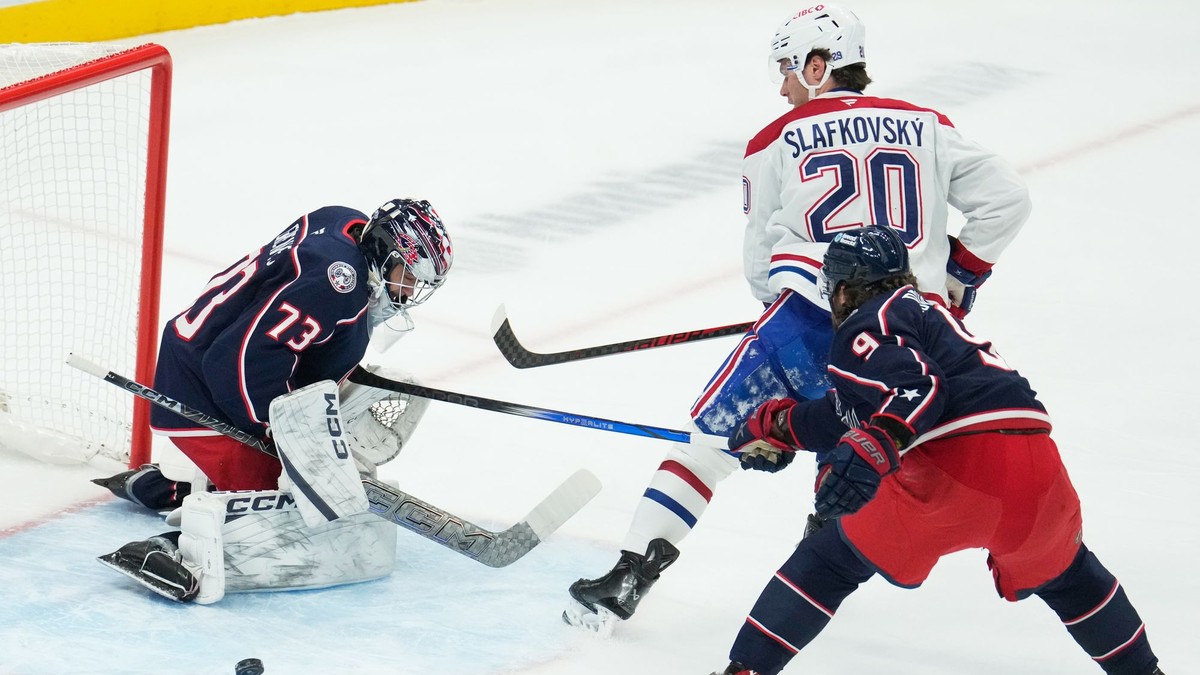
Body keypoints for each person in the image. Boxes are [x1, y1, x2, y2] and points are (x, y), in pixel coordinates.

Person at [564, 3, 1032, 633]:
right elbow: (1008, 200)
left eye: (789, 68)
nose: (782, 84)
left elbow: (762, 264)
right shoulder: (928, 125)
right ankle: (813, 578)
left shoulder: (773, 141)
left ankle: (628, 578)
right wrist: (952, 283)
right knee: (852, 457)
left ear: (819, 67)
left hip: (806, 322)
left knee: (708, 447)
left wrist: (782, 348)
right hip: (909, 334)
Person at [709, 226, 1163, 675]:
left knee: (831, 561)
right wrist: (778, 425)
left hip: (953, 468)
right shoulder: (923, 317)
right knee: (1072, 578)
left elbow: (917, 388)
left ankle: (747, 671)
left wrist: (877, 442)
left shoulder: (867, 322)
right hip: (1034, 466)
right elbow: (849, 410)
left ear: (844, 288)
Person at [93, 198, 453, 603]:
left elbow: (285, 330)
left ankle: (166, 487)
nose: (407, 291)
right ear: (386, 252)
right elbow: (239, 359)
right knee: (300, 505)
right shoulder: (337, 283)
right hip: (204, 392)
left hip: (205, 359)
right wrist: (280, 433)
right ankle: (168, 547)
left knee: (309, 473)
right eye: (407, 275)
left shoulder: (344, 223)